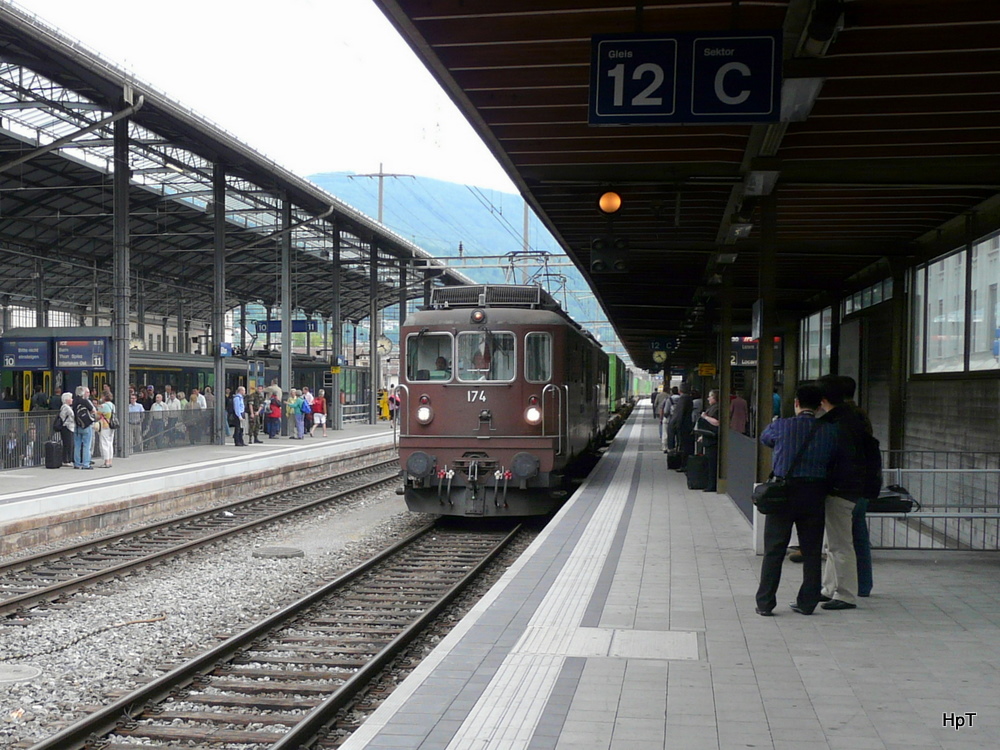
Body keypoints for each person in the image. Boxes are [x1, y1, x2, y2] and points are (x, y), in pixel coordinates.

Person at [755, 384, 839, 616]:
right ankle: (807, 602)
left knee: (774, 549)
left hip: (783, 492)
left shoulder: (781, 426)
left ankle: (765, 603)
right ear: (820, 405)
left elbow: (765, 439)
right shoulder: (830, 431)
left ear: (796, 403)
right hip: (814, 493)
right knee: (811, 550)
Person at [815, 374, 869, 610]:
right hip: (851, 488)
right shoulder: (854, 418)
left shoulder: (837, 423)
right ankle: (829, 588)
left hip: (840, 489)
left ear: (824, 398)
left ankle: (845, 594)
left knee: (840, 544)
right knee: (834, 543)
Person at [696, 389, 721, 492]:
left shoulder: (717, 409)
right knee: (709, 462)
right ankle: (710, 483)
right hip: (708, 438)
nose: (708, 398)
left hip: (713, 440)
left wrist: (705, 417)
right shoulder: (712, 408)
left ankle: (712, 485)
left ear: (715, 398)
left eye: (710, 396)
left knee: (712, 463)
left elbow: (717, 423)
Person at [667, 382, 693, 470]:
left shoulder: (683, 399)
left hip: (682, 427)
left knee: (683, 446)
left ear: (680, 390)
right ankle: (684, 464)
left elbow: (680, 414)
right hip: (686, 426)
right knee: (685, 446)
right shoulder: (688, 398)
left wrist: (676, 426)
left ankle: (683, 465)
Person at [71, 385, 96, 469]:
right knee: (86, 445)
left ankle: (77, 464)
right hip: (86, 426)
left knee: (77, 445)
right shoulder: (84, 401)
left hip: (77, 425)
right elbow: (93, 410)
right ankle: (86, 464)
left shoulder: (74, 402)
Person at [97, 392, 116, 468]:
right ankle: (110, 460)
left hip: (105, 425)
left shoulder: (103, 406)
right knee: (110, 443)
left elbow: (97, 415)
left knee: (104, 443)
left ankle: (106, 461)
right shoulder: (112, 405)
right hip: (111, 425)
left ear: (104, 397)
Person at [58, 391, 75, 465]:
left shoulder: (67, 407)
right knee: (68, 444)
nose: (72, 400)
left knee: (69, 443)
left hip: (69, 427)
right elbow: (64, 417)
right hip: (67, 427)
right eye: (71, 398)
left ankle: (67, 459)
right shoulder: (65, 407)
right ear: (66, 399)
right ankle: (66, 460)